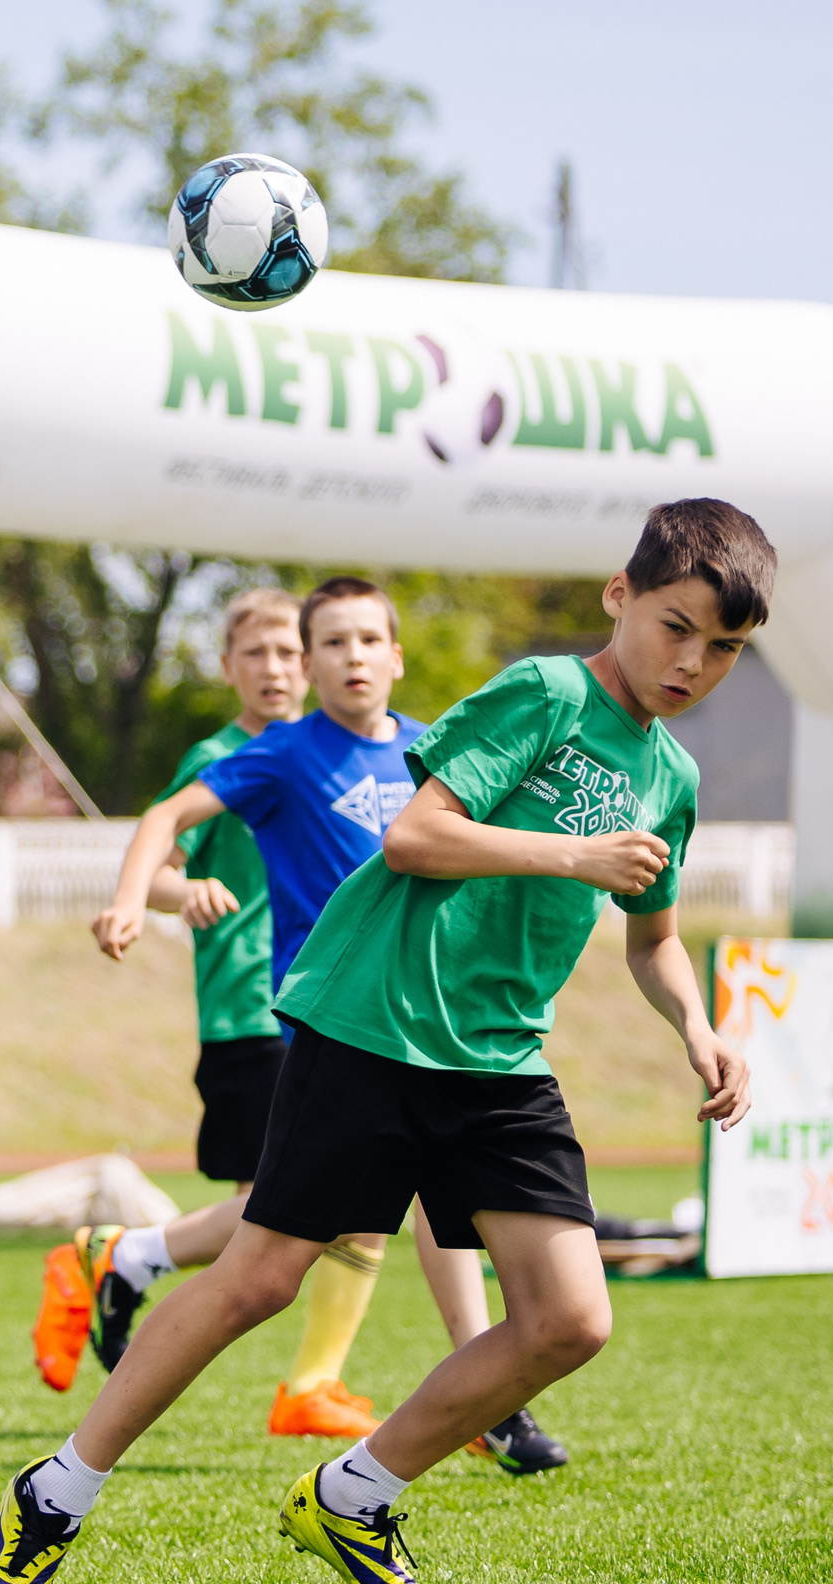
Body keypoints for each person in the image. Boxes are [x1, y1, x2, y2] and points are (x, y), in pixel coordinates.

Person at [0, 499, 768, 1584]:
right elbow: (416, 835)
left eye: (725, 648)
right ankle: (52, 1495)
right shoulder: (545, 693)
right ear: (619, 597)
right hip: (371, 1028)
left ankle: (353, 1495)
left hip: (500, 1061)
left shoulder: (671, 779)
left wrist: (695, 1026)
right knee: (257, 1279)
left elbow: (654, 941)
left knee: (569, 1321)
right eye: (675, 627)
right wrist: (573, 851)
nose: (692, 663)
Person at [47, 578, 569, 1467]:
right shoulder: (283, 755)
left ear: (398, 657)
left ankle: (474, 1399)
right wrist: (136, 898)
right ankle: (141, 1283)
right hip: (331, 1022)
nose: (351, 657)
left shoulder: (431, 751)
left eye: (369, 640)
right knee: (295, 1234)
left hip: (434, 1021)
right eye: (329, 643)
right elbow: (168, 818)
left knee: (395, 1211)